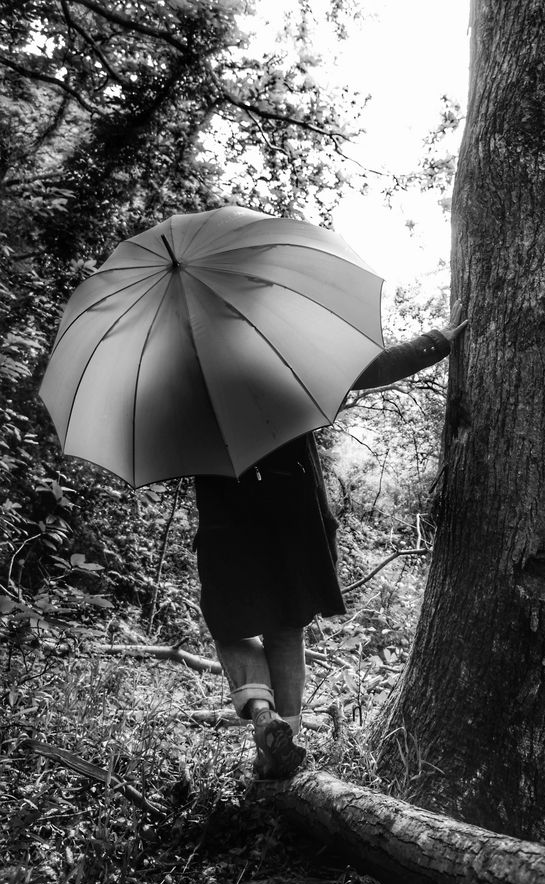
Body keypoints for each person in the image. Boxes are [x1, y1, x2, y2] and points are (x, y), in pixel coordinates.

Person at [193, 300, 468, 778]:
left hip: (226, 517)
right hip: (291, 511)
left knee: (230, 626)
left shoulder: (184, 371)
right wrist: (436, 342)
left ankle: (261, 713)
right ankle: (283, 744)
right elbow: (369, 368)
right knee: (287, 623)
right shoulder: (280, 350)